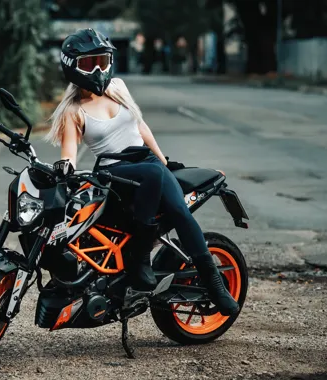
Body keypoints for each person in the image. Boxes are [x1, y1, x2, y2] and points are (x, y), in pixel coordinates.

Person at [45, 28, 239, 316]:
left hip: (148, 167)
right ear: (72, 66)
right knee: (154, 174)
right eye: (89, 63)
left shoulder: (119, 87)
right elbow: (69, 154)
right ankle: (141, 257)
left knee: (176, 205)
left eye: (102, 60)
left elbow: (140, 127)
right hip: (117, 173)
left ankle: (213, 282)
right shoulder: (72, 111)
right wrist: (64, 169)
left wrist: (164, 160)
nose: (98, 69)